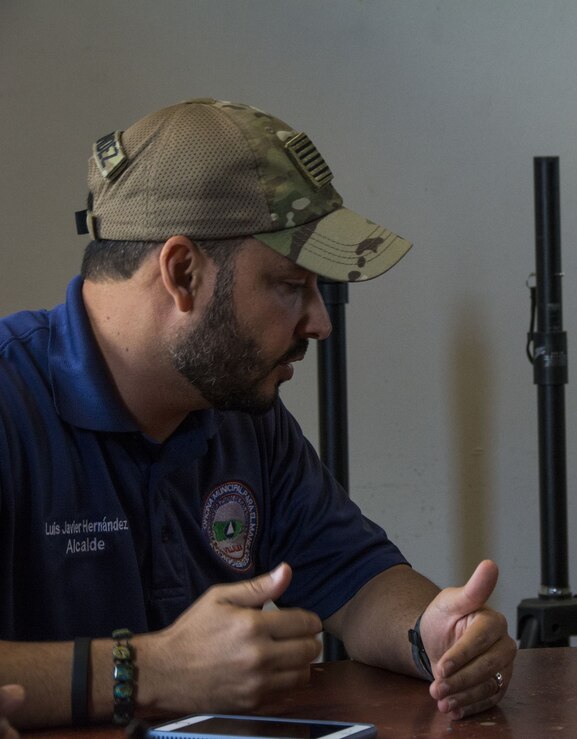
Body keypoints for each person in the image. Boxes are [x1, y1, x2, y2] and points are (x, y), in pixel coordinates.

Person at [0, 98, 515, 728]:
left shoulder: (237, 408)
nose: (320, 322)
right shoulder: (10, 404)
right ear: (182, 271)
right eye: (291, 285)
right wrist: (151, 670)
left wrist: (433, 630)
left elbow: (355, 578)